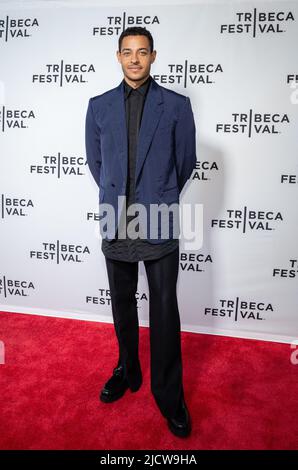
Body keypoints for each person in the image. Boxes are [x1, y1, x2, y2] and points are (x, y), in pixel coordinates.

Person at [85, 26, 197, 438]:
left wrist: (159, 195)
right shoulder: (98, 106)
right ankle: (127, 368)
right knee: (122, 303)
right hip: (118, 218)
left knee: (165, 309)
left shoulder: (177, 106)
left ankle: (170, 396)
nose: (135, 59)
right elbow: (97, 166)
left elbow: (186, 163)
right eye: (127, 52)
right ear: (118, 57)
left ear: (153, 56)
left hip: (159, 217)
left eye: (142, 52)